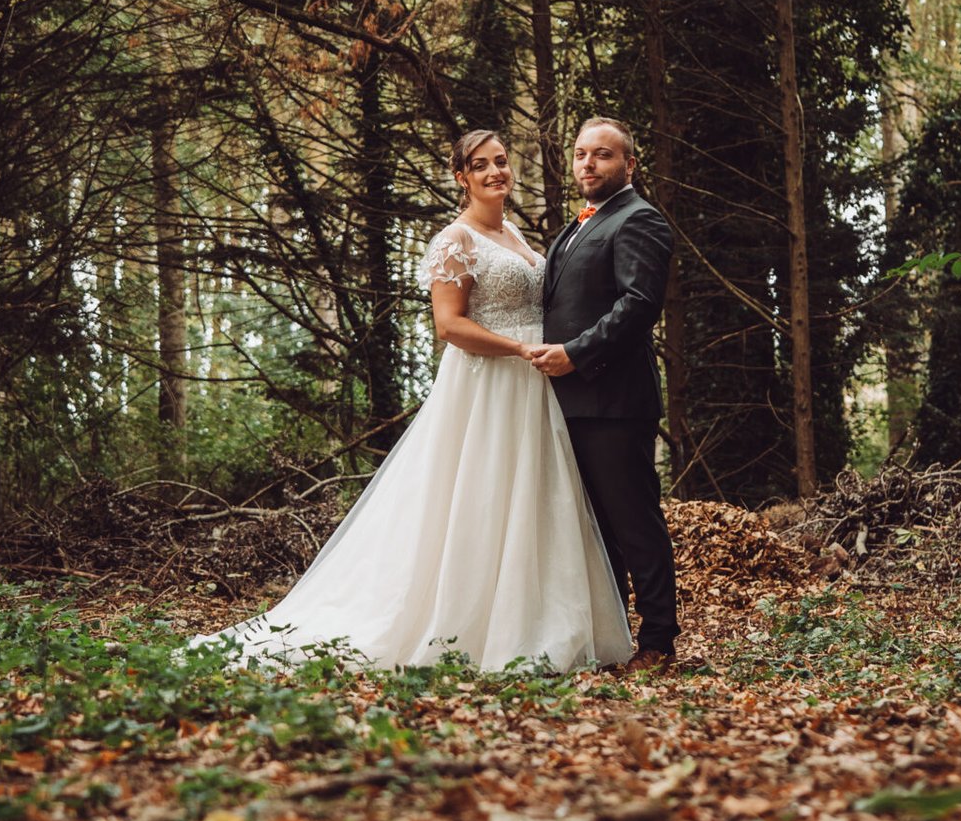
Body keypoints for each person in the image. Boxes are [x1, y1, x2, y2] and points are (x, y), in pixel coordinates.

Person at [187, 129, 631, 672]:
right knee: (482, 497)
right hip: (488, 386)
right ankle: (470, 623)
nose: (496, 172)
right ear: (461, 177)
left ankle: (537, 618)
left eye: (501, 161)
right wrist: (519, 348)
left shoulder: (514, 232)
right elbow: (449, 326)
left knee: (533, 498)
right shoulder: (455, 240)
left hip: (534, 386)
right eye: (481, 165)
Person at [526, 117, 679, 671]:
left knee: (633, 522)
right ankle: (610, 637)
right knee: (593, 530)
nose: (588, 164)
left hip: (614, 401)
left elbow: (638, 305)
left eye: (603, 155)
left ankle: (658, 639)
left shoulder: (640, 220)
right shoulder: (576, 226)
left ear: (629, 164)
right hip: (568, 401)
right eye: (580, 154)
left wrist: (576, 352)